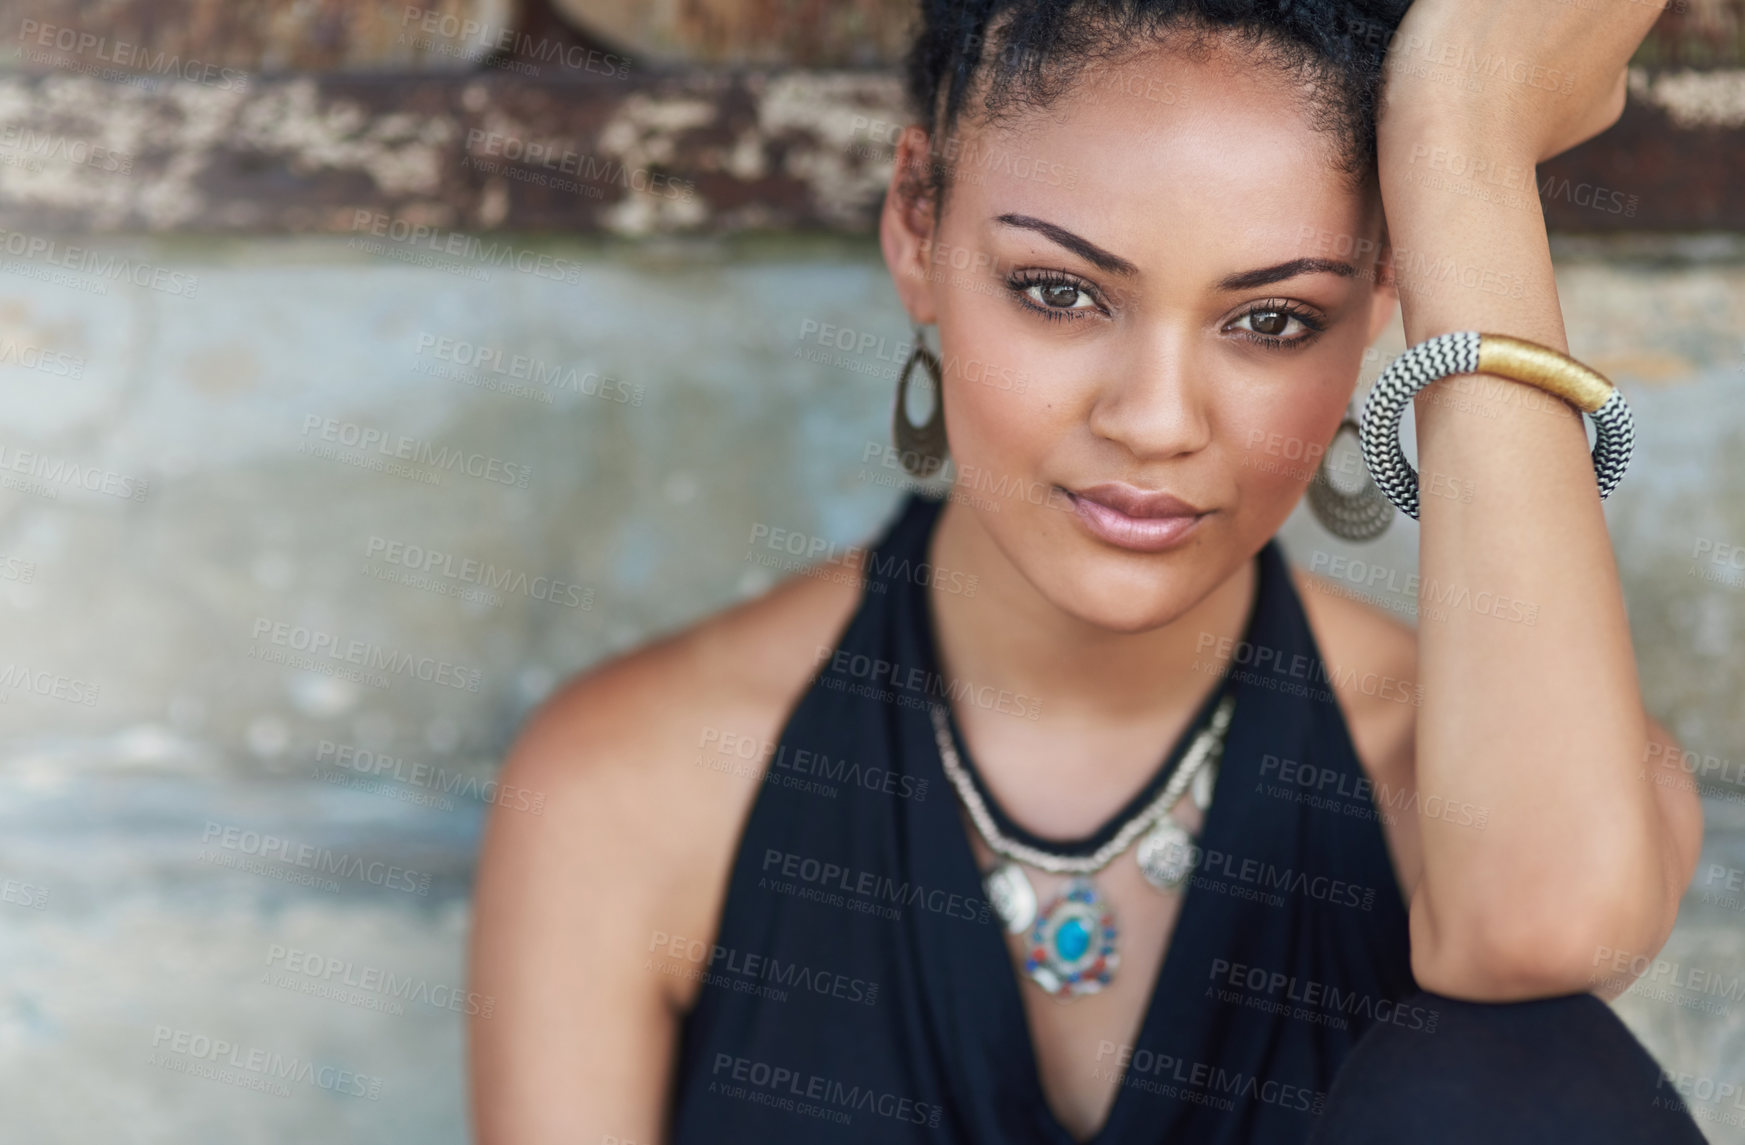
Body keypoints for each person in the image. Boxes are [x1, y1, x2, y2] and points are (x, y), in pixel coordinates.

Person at [467, 1, 1709, 1142]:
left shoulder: (1464, 785)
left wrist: (1461, 144)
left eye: (1272, 319)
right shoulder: (637, 786)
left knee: (1525, 1072)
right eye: (1058, 291)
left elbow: (1544, 925)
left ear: (1385, 290)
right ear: (916, 223)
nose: (1157, 420)